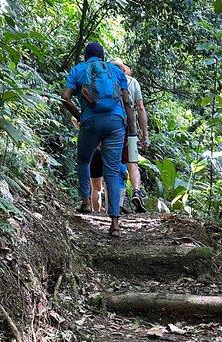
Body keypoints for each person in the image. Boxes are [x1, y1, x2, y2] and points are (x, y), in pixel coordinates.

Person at [61, 42, 137, 238]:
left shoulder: (78, 70)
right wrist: (133, 131)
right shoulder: (115, 71)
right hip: (115, 123)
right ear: (103, 57)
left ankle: (86, 202)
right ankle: (115, 224)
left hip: (90, 121)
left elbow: (64, 98)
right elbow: (127, 102)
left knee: (84, 160)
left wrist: (79, 115)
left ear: (86, 56)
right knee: (112, 171)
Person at [109, 58, 149, 213]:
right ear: (124, 69)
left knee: (112, 164)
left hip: (111, 125)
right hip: (129, 127)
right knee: (132, 163)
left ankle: (115, 202)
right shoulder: (132, 82)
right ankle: (137, 192)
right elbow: (140, 108)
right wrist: (145, 135)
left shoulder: (104, 81)